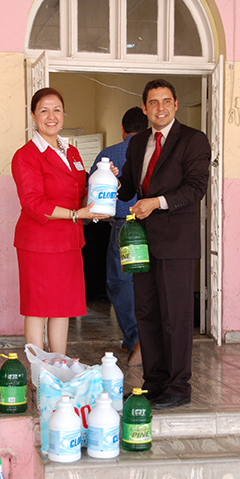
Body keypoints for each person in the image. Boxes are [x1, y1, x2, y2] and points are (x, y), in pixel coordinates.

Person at [117, 78, 211, 409]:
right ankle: (153, 382)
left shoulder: (193, 140)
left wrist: (156, 202)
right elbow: (129, 187)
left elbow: (195, 188)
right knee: (148, 314)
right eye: (153, 102)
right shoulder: (137, 141)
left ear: (175, 104)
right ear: (145, 108)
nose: (160, 108)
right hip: (142, 243)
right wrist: (110, 179)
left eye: (166, 101)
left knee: (176, 316)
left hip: (176, 242)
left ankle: (178, 387)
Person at [12, 87, 109, 354]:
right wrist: (77, 214)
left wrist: (105, 180)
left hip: (68, 241)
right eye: (43, 110)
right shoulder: (26, 155)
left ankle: (59, 365)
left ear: (64, 114)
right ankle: (38, 375)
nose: (51, 116)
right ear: (33, 115)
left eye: (56, 110)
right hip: (39, 243)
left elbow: (80, 193)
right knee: (38, 308)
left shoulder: (72, 152)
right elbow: (33, 203)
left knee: (62, 308)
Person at [90, 107, 148, 366]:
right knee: (150, 286)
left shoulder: (108, 154)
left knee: (121, 285)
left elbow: (93, 188)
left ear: (122, 130)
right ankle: (148, 341)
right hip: (152, 226)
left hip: (123, 228)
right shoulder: (153, 151)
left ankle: (136, 339)